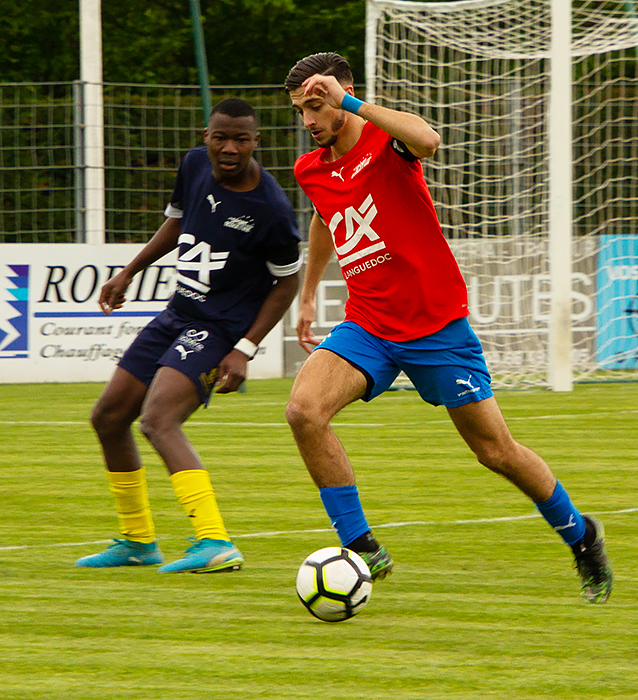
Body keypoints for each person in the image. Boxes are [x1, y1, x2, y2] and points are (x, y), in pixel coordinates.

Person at [283, 52, 612, 603]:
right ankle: (360, 546)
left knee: (495, 452)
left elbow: (429, 140)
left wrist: (352, 105)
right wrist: (310, 294)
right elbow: (323, 217)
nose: (310, 120)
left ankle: (581, 535)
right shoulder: (310, 168)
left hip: (436, 325)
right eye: (301, 111)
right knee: (303, 410)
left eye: (317, 105)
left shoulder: (387, 141)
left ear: (343, 93)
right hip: (369, 324)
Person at [76, 98, 301, 573]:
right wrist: (129, 271)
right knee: (109, 417)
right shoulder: (195, 165)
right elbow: (177, 222)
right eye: (221, 136)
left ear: (256, 142)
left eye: (241, 139)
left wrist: (245, 348)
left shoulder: (272, 209)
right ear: (206, 136)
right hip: (178, 313)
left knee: (158, 420)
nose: (229, 148)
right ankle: (138, 542)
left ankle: (215, 540)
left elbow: (286, 282)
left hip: (220, 330)